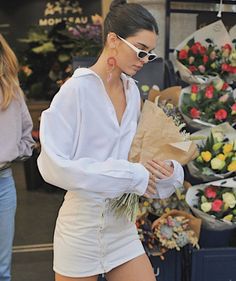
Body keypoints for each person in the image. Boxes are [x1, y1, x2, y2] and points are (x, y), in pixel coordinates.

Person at [37, 1, 184, 280]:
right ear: (113, 40)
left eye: (150, 55)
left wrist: (164, 171)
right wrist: (132, 175)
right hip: (81, 226)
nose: (144, 60)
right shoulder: (76, 91)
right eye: (141, 50)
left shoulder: (132, 93)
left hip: (122, 226)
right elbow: (53, 166)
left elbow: (135, 158)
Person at [0, 34, 34, 281]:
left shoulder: (10, 90)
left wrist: (10, 151)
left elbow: (27, 137)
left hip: (3, 183)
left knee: (2, 270)